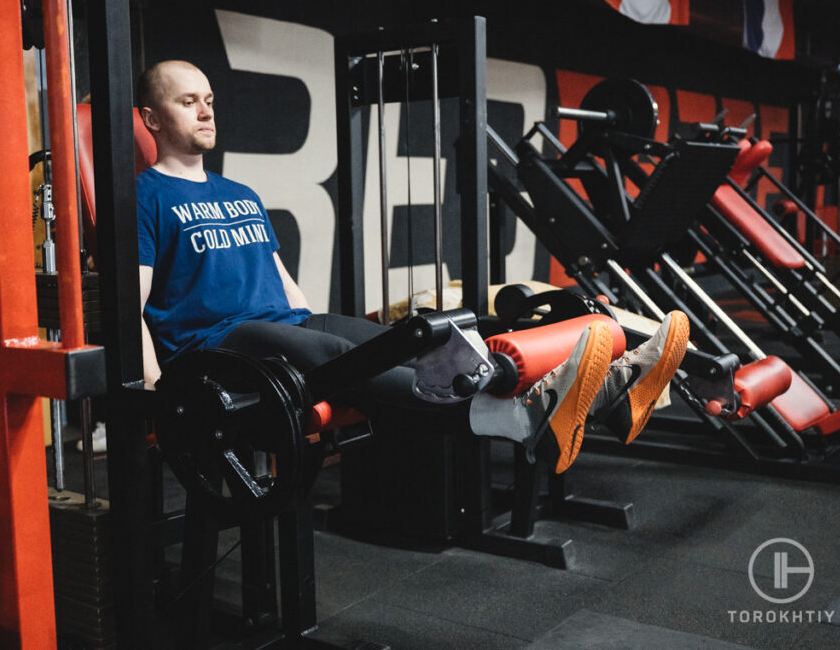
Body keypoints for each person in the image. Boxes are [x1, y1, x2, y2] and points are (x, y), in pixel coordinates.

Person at [135, 59, 689, 473]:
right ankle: (516, 412)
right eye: (188, 102)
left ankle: (606, 392)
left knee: (397, 339)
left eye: (209, 98)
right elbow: (132, 302)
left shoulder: (239, 190)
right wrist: (157, 388)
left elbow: (276, 273)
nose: (206, 110)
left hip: (281, 323)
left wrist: (307, 317)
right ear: (151, 118)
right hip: (214, 348)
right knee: (339, 358)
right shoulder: (145, 196)